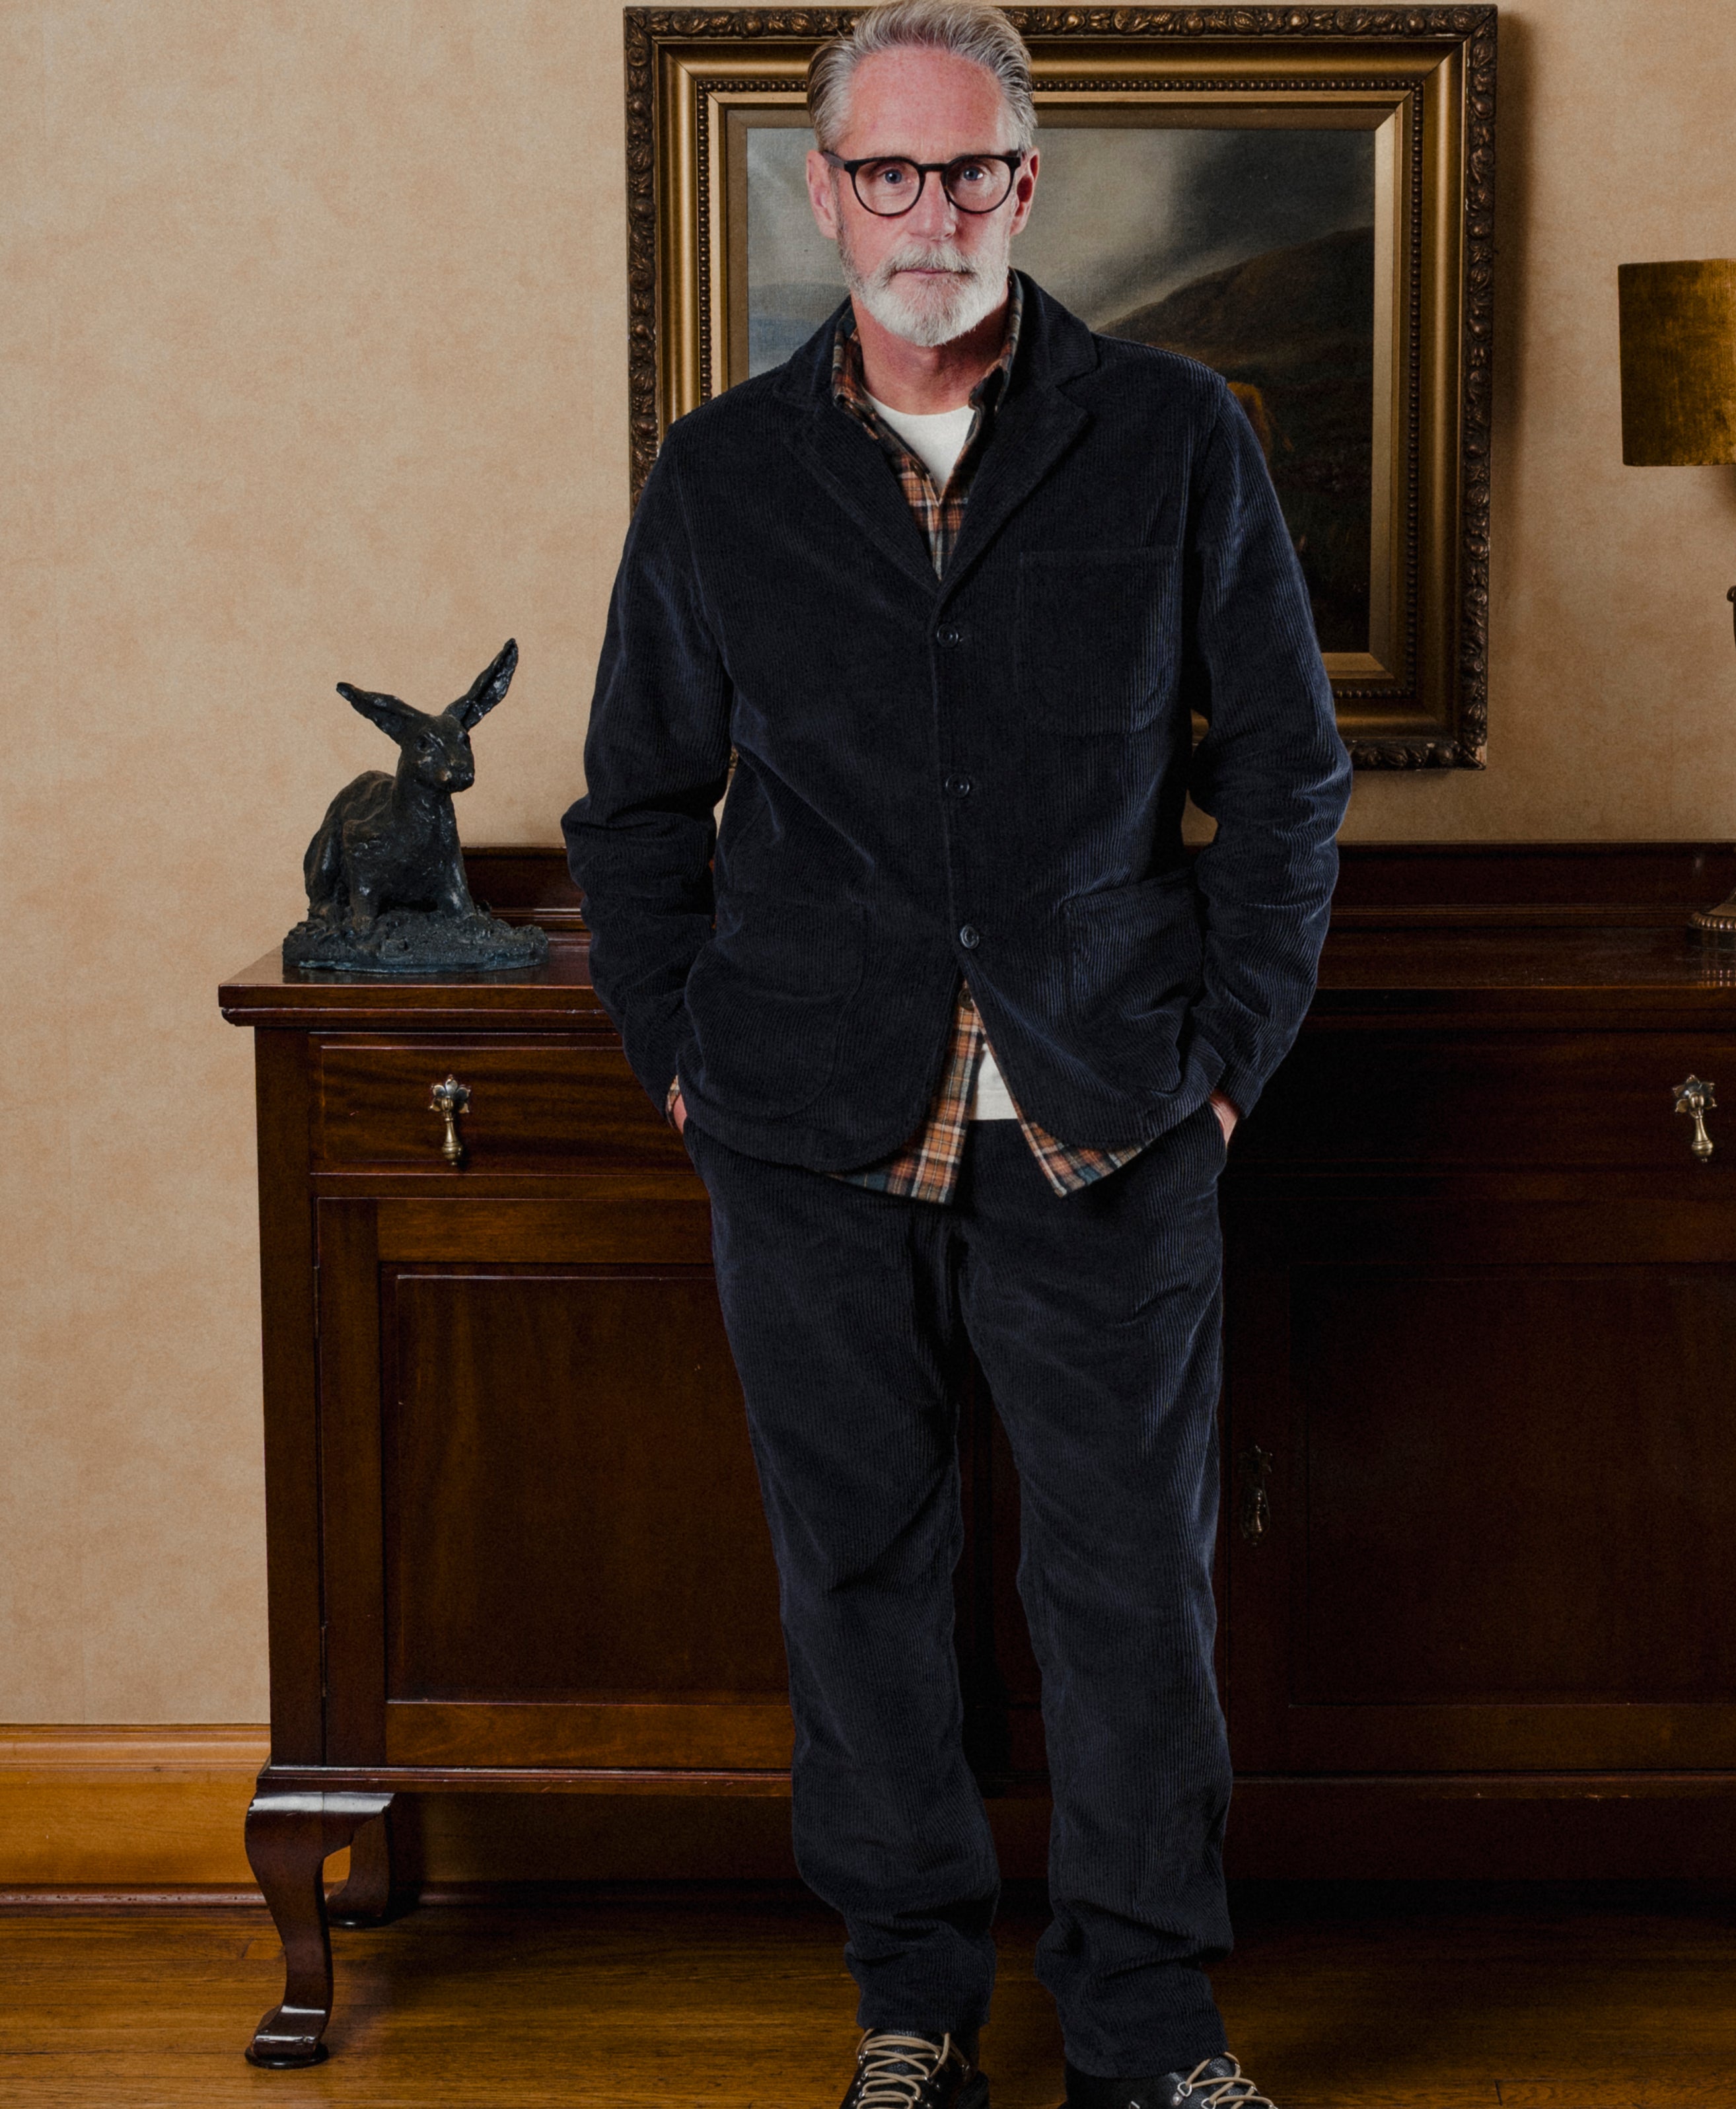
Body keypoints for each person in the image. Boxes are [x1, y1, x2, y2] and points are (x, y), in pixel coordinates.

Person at [561, 3, 1351, 2103]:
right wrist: (681, 1061)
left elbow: (1284, 775)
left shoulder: (1178, 433)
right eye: (887, 174)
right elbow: (634, 807)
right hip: (807, 1121)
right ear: (820, 190)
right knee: (859, 1578)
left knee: (1125, 1594)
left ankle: (1150, 2029)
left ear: (1028, 184)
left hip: (1111, 1112)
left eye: (971, 170)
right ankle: (911, 2008)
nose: (930, 212)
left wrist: (1225, 1057)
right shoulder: (724, 470)